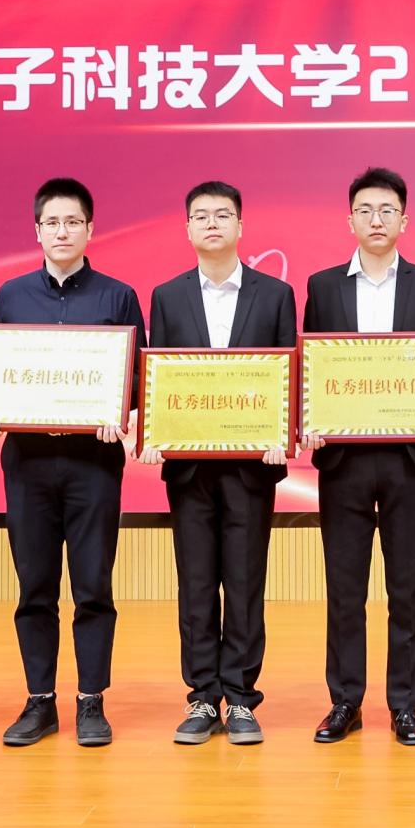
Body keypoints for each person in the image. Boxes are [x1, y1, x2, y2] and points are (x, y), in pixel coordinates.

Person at [0, 178, 146, 749]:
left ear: (90, 229)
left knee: (93, 585)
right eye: (52, 223)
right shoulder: (12, 295)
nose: (62, 232)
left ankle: (91, 700)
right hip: (28, 462)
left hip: (93, 462)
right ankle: (40, 701)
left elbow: (137, 377)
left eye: (73, 222)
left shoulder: (118, 297)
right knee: (35, 586)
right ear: (37, 230)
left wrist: (119, 410)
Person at [301, 167, 415, 747]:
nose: (376, 219)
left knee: (407, 589)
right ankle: (345, 701)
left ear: (404, 220)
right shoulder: (323, 287)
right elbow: (310, 364)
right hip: (343, 462)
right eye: (365, 210)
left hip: (407, 461)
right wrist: (310, 418)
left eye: (387, 210)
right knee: (345, 589)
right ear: (350, 220)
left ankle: (404, 706)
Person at [142, 181, 297, 745]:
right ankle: (203, 695)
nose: (212, 224)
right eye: (201, 216)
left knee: (246, 582)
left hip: (251, 466)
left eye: (223, 215)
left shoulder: (275, 294)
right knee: (197, 583)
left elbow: (287, 371)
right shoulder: (167, 295)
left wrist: (282, 433)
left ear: (240, 227)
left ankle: (241, 697)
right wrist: (156, 431)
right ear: (187, 228)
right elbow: (160, 374)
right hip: (189, 468)